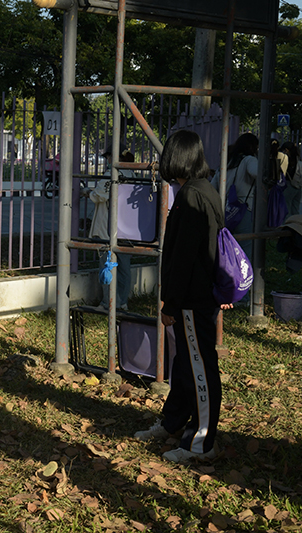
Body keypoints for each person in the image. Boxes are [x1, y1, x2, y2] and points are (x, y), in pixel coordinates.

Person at [134, 130, 229, 463]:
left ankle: (201, 444)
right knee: (186, 364)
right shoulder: (203, 190)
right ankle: (173, 422)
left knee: (199, 367)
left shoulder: (191, 197)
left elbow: (184, 257)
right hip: (198, 297)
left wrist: (170, 303)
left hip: (193, 299)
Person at [82, 147, 135, 311]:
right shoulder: (132, 174)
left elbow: (99, 195)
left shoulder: (111, 174)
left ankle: (108, 303)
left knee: (108, 265)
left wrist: (87, 192)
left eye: (108, 157)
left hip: (108, 227)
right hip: (126, 227)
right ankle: (122, 302)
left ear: (113, 157)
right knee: (124, 267)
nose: (107, 160)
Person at [213, 132, 259, 260]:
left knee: (227, 247)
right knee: (245, 247)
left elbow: (213, 186)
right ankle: (244, 272)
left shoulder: (227, 162)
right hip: (244, 209)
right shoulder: (249, 160)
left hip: (226, 210)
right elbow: (257, 173)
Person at [281, 142, 302, 217]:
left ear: (286, 150)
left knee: (287, 207)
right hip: (298, 186)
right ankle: (295, 222)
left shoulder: (286, 160)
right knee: (295, 208)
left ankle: (287, 222)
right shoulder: (297, 159)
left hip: (289, 185)